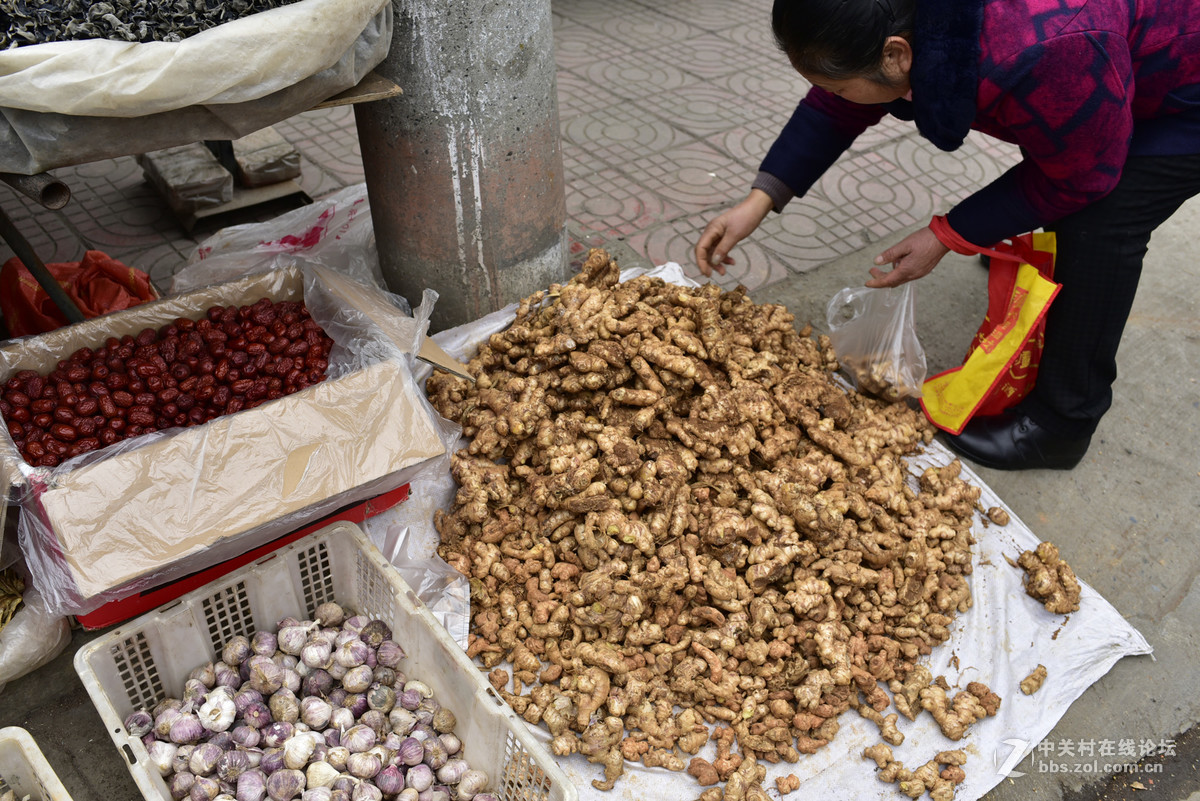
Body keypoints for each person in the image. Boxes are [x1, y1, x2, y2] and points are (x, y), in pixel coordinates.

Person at [694, 0, 1200, 471]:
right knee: (1063, 151)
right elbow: (841, 100)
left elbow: (1082, 175)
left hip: (1186, 93)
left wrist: (949, 234)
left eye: (842, 84)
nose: (838, 95)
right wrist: (761, 198)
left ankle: (1061, 424)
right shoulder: (901, 23)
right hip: (1104, 62)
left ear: (896, 54)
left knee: (1099, 218)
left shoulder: (1046, 49)